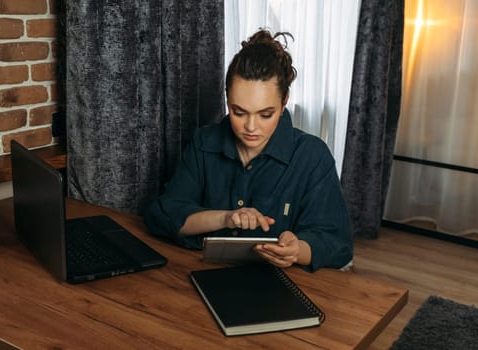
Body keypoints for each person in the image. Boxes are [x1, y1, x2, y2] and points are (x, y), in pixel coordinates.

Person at [144, 29, 352, 271]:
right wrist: (226, 217)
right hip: (201, 275)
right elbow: (163, 215)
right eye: (238, 112)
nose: (251, 127)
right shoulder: (204, 142)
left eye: (265, 114)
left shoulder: (313, 157)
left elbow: (337, 244)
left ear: (284, 102)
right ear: (226, 99)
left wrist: (297, 251)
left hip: (283, 288)